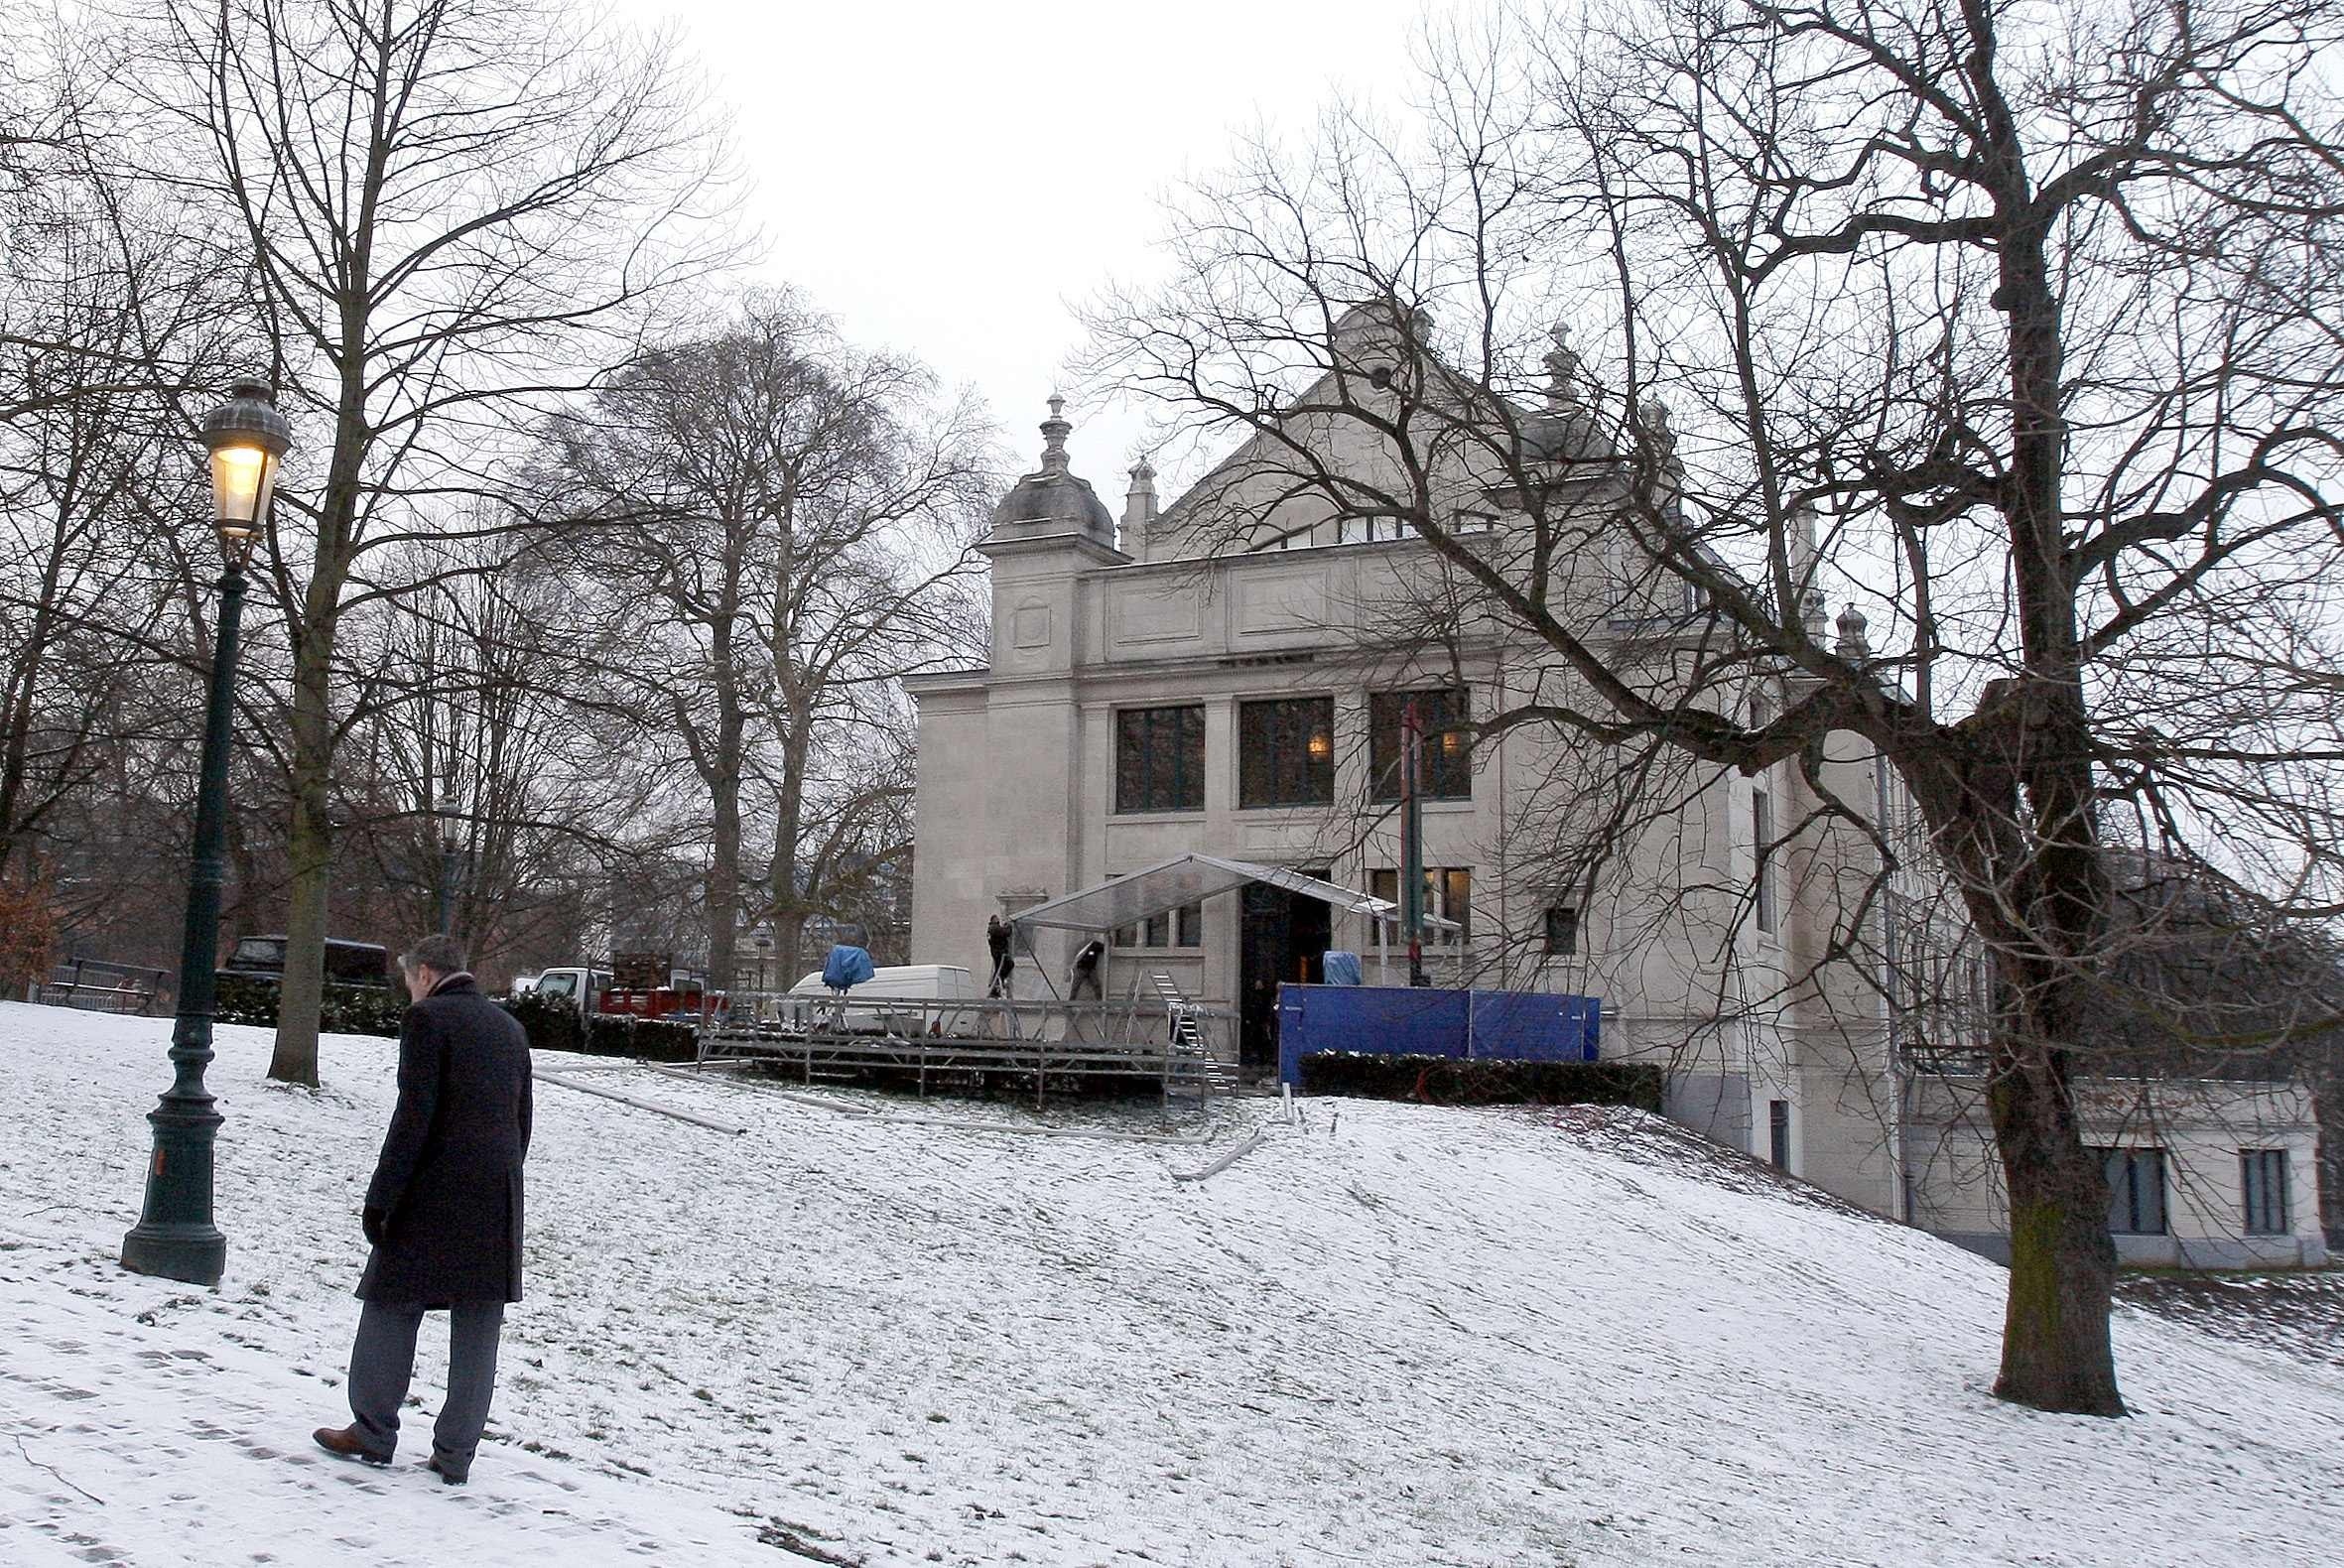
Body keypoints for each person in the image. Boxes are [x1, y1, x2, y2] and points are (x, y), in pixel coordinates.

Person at [312, 933, 532, 1487]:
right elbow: (521, 1121)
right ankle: (456, 1454)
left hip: (431, 1190)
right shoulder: (509, 1027)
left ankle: (372, 1430)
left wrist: (382, 1197)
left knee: (391, 1304)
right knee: (478, 1321)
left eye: (410, 979)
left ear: (427, 973)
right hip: (496, 1194)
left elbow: (413, 1117)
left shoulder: (427, 1021)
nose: (410, 991)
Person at [1067, 936, 1107, 1001]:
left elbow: (1105, 949)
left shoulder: (1096, 946)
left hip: (1090, 969)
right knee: (1075, 986)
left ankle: (1100, 1002)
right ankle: (1070, 1002)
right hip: (1082, 968)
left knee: (1096, 985)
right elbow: (1079, 958)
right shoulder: (1091, 947)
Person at [985, 914, 1015, 998]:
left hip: (996, 953)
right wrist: (1009, 925)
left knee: (998, 969)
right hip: (1000, 953)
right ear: (994, 920)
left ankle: (996, 986)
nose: (999, 920)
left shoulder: (991, 928)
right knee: (1009, 964)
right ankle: (999, 981)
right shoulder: (994, 928)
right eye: (997, 919)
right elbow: (1006, 933)